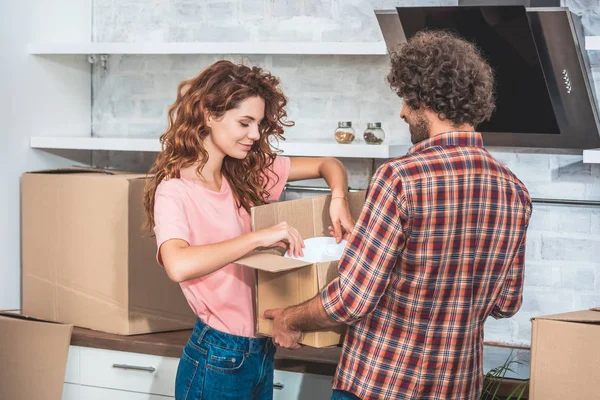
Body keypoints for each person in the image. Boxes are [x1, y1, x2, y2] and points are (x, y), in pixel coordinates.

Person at [265, 30, 533, 400]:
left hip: (381, 385)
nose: (402, 111)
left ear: (427, 100)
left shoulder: (400, 177)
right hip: (456, 388)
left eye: (407, 99)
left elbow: (351, 299)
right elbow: (507, 303)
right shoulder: (514, 190)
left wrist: (288, 317)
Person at [142, 60, 355, 400]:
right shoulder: (175, 190)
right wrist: (258, 237)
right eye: (245, 122)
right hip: (216, 356)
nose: (255, 135)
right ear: (209, 115)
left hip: (260, 351)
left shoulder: (244, 174)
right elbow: (177, 264)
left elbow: (329, 164)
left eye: (257, 124)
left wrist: (339, 199)